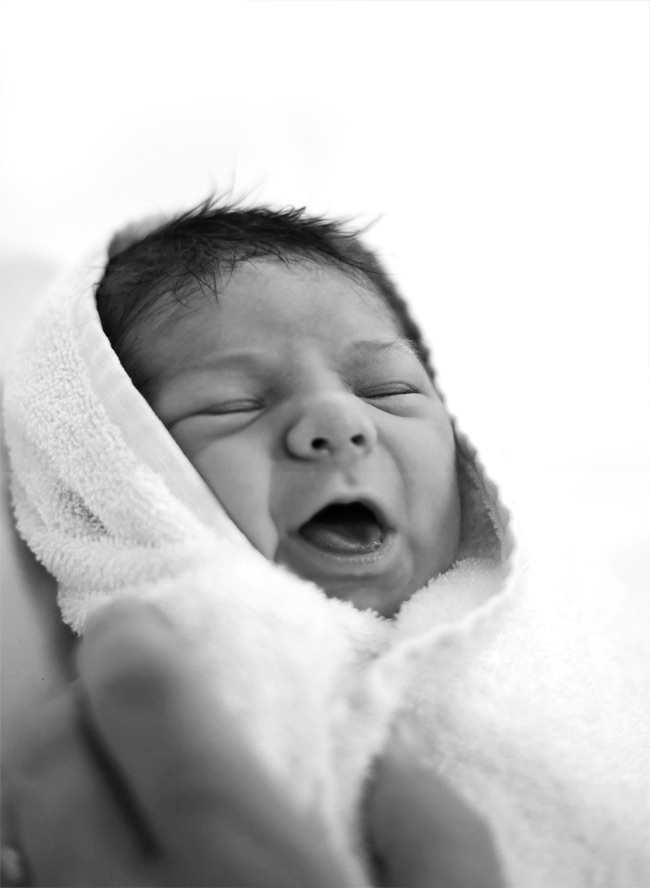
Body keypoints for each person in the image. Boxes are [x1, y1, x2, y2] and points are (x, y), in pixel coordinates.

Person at [2, 198, 647, 886]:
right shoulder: (146, 692)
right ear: (122, 476)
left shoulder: (578, 637)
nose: (336, 420)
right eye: (231, 404)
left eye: (389, 390)